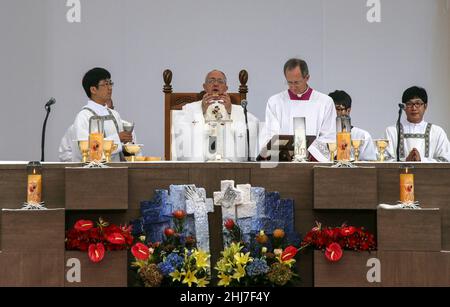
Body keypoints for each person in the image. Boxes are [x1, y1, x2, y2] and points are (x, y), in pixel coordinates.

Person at [172, 70, 259, 161]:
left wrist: (231, 112)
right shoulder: (190, 109)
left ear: (226, 88)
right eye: (211, 81)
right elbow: (182, 130)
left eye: (220, 81)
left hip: (229, 165)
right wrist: (201, 111)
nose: (216, 84)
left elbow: (252, 125)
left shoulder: (237, 110)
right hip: (201, 166)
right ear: (204, 87)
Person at [265, 58, 336, 161]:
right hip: (284, 163)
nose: (293, 87)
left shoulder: (324, 102)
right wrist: (286, 155)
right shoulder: (275, 102)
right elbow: (271, 134)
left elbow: (329, 136)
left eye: (297, 82)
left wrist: (309, 154)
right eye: (289, 83)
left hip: (313, 162)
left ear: (307, 78)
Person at [70, 67, 132, 162]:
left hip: (118, 172)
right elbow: (86, 150)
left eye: (110, 83)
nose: (110, 88)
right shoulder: (83, 117)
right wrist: (117, 138)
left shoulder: (115, 114)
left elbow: (121, 150)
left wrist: (127, 144)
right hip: (94, 173)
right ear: (93, 89)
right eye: (105, 84)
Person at [58, 99, 138, 162]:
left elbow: (134, 154)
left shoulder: (125, 126)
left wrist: (126, 150)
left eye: (109, 109)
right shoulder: (81, 121)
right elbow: (67, 154)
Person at [385, 86, 450, 162]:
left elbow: (446, 159)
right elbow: (382, 159)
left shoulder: (437, 132)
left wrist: (421, 160)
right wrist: (405, 160)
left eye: (418, 103)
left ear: (425, 106)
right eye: (409, 104)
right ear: (404, 107)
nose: (414, 108)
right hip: (400, 174)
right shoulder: (392, 131)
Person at [329, 90, 377, 161]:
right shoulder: (323, 136)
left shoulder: (362, 136)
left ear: (348, 110)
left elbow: (369, 166)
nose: (333, 113)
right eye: (330, 109)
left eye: (338, 109)